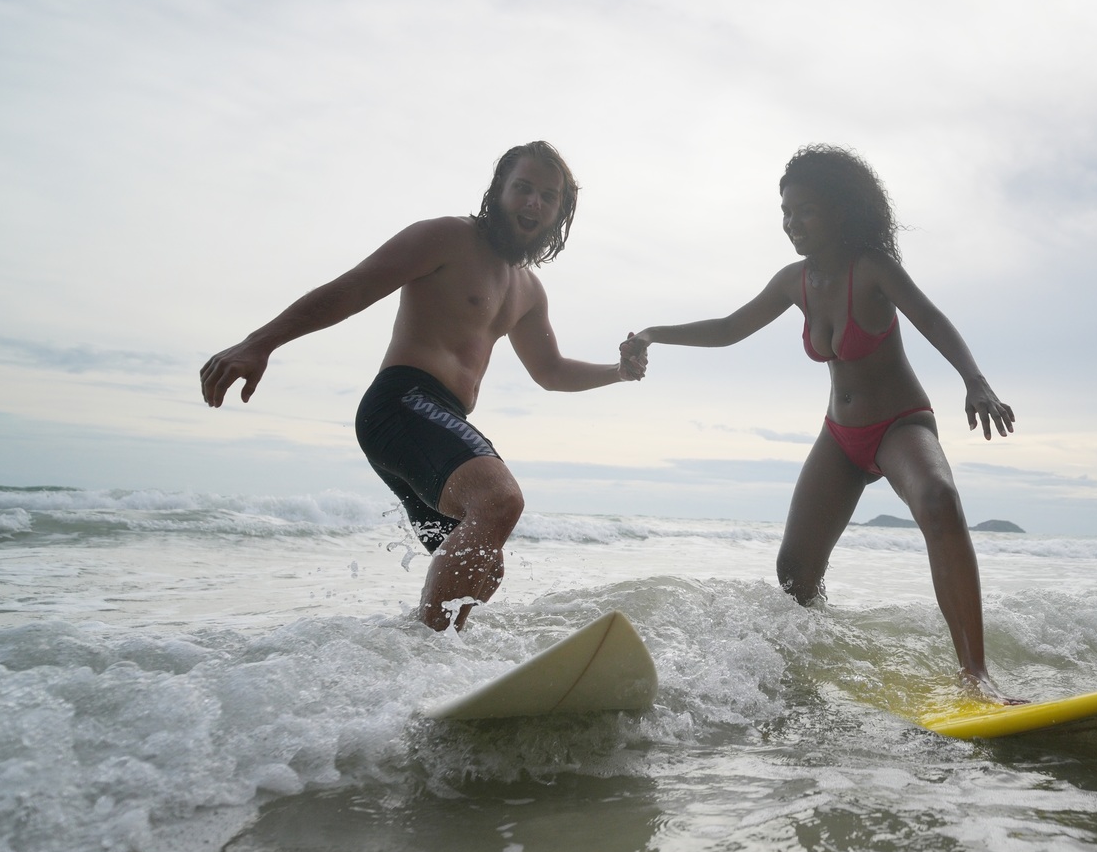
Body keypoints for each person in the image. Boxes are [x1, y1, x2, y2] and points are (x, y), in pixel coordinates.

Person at [200, 141, 643, 631]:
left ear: (560, 212)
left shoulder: (529, 290)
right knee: (499, 501)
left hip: (442, 422)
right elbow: (355, 287)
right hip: (401, 405)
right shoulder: (447, 239)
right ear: (499, 191)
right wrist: (258, 343)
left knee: (485, 566)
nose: (533, 202)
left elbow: (551, 371)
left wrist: (617, 372)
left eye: (547, 195)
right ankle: (428, 656)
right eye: (522, 188)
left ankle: (426, 667)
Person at [625, 145, 1017, 695]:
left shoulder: (873, 269)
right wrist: (651, 333)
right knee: (795, 570)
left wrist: (975, 381)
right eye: (785, 212)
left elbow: (930, 316)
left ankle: (976, 676)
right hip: (841, 436)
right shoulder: (795, 281)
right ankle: (811, 665)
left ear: (840, 210)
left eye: (805, 210)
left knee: (937, 500)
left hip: (899, 425)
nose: (792, 223)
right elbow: (730, 327)